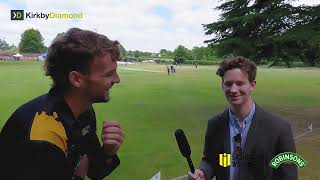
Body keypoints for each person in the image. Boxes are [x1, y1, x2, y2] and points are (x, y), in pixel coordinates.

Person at [0, 28, 125, 180]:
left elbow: (94, 171)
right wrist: (79, 176)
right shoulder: (43, 135)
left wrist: (107, 152)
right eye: (109, 74)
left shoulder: (84, 112)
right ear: (77, 79)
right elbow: (80, 171)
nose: (117, 80)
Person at [188, 56, 297, 180]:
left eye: (240, 83)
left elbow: (288, 176)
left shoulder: (279, 128)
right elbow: (210, 160)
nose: (233, 90)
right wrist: (203, 172)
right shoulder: (215, 124)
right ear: (222, 86)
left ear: (252, 85)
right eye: (228, 84)